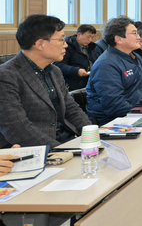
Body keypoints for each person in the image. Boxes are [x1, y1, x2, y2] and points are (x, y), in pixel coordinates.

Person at [0, 15, 91, 148]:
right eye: (61, 40)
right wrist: (60, 151)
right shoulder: (6, 76)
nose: (66, 45)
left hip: (66, 139)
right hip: (35, 148)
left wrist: (93, 136)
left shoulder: (55, 71)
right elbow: (16, 128)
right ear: (40, 44)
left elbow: (71, 109)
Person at [86, 16, 142, 125]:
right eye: (134, 33)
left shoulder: (135, 57)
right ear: (119, 39)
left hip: (139, 114)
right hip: (115, 121)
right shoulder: (106, 65)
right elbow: (115, 105)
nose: (139, 37)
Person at [55, 24, 102, 90]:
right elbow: (59, 65)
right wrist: (77, 71)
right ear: (79, 34)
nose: (90, 40)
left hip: (92, 81)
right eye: (88, 37)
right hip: (74, 84)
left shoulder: (92, 47)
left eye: (92, 37)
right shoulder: (67, 47)